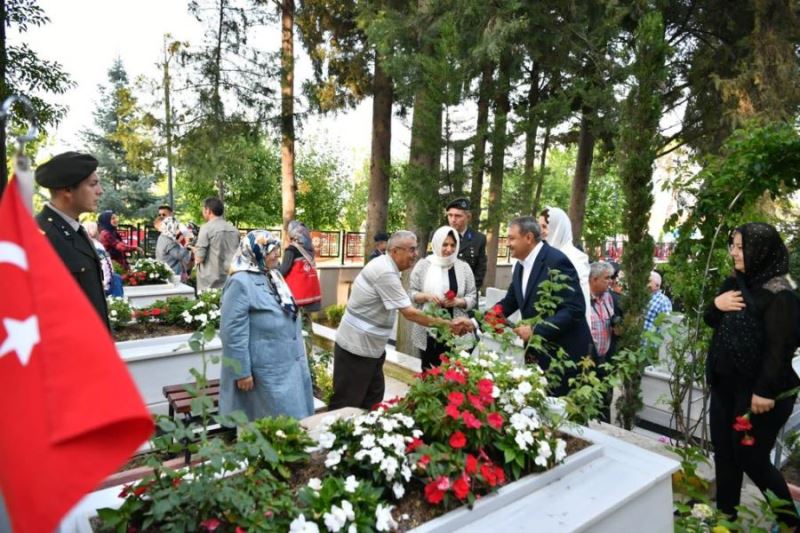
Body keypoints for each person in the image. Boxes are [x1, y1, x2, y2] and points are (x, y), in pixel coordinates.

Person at [705, 223, 800, 528]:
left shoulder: (780, 293)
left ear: (762, 250)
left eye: (740, 247)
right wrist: (717, 305)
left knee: (752, 458)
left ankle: (790, 521)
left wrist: (764, 391)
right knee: (725, 453)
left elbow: (780, 348)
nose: (734, 252)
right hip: (725, 387)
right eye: (732, 245)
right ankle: (726, 518)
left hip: (760, 394)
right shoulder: (735, 282)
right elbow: (711, 319)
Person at [330, 231, 474, 410]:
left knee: (372, 401)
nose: (415, 255)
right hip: (357, 349)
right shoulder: (386, 272)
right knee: (347, 404)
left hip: (371, 349)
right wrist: (448, 325)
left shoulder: (388, 267)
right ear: (396, 251)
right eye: (412, 250)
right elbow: (410, 313)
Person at [219, 230, 315, 421]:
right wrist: (241, 372)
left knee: (290, 425)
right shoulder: (240, 282)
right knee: (272, 426)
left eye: (277, 249)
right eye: (271, 250)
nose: (277, 254)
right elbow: (232, 332)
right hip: (265, 370)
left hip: (288, 363)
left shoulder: (273, 275)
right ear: (255, 251)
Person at [498, 216, 594, 397]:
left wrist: (535, 330)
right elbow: (509, 302)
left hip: (562, 356)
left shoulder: (556, 261)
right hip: (537, 355)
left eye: (511, 238)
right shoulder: (520, 266)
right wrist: (476, 321)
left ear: (528, 238)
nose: (508, 243)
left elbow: (574, 309)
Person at [34, 151, 110, 327]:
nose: (100, 191)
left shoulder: (74, 229)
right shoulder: (40, 237)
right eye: (93, 184)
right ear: (67, 190)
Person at [409, 226, 478, 369]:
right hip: (428, 330)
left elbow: (472, 297)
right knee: (429, 373)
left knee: (455, 374)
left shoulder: (463, 268)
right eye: (445, 244)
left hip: (457, 330)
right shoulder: (423, 266)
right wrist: (426, 296)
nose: (449, 249)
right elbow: (412, 294)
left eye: (453, 245)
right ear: (436, 243)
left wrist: (458, 301)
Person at [538, 207, 592, 329]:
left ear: (558, 229)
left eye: (545, 227)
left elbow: (581, 301)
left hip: (566, 326)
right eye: (539, 226)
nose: (540, 231)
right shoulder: (541, 255)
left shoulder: (575, 258)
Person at [588, 261, 623, 422]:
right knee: (588, 403)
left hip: (606, 361)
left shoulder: (609, 298)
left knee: (604, 403)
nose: (610, 281)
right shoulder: (583, 300)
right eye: (606, 278)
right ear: (594, 279)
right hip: (587, 363)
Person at [193, 197, 241, 291]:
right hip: (231, 278)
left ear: (208, 211)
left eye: (203, 209)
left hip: (210, 282)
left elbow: (199, 258)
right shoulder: (234, 230)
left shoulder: (206, 228)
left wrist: (195, 250)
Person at [280, 220, 322, 312]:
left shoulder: (291, 250)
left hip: (298, 296)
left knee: (299, 323)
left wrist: (273, 270)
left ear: (292, 234)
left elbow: (283, 271)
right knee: (307, 322)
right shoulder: (309, 249)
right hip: (311, 294)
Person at [446, 198, 487, 291]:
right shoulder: (438, 235)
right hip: (442, 293)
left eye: (458, 216)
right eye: (450, 215)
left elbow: (480, 271)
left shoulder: (479, 239)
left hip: (468, 294)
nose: (453, 219)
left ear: (468, 217)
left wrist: (469, 293)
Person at [83, 220, 123, 297]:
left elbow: (104, 265)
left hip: (103, 286)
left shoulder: (94, 245)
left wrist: (104, 283)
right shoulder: (97, 244)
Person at [155, 216, 193, 281]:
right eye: (176, 227)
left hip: (167, 271)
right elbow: (179, 255)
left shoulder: (162, 237)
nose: (177, 230)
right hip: (172, 274)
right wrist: (188, 246)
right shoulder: (168, 240)